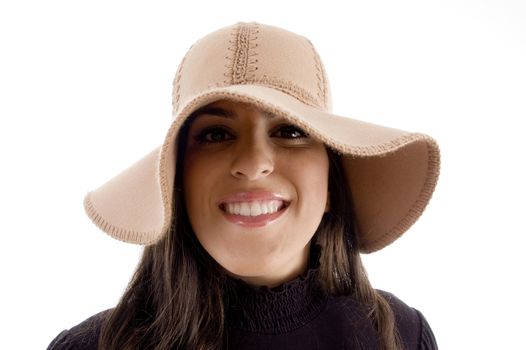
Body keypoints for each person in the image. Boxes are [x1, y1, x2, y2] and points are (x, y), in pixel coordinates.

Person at [47, 22, 440, 350]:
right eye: (217, 134)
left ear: (332, 182)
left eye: (289, 130)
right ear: (176, 180)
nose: (253, 164)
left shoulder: (402, 337)